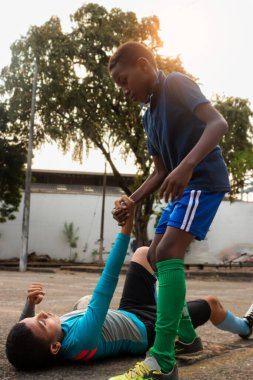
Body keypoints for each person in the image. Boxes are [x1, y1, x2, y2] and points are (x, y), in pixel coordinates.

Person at [108, 41, 231, 379]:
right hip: (183, 186)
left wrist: (188, 165)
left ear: (144, 65)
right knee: (156, 252)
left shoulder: (176, 83)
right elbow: (161, 171)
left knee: (170, 250)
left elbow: (217, 124)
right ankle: (187, 338)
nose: (124, 90)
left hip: (203, 179)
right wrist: (131, 200)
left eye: (124, 80)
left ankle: (162, 359)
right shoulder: (149, 118)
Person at [6, 243, 253, 375]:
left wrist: (29, 305)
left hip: (129, 310)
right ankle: (245, 326)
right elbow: (106, 285)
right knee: (210, 302)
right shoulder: (81, 340)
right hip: (149, 329)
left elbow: (24, 329)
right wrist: (124, 230)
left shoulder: (53, 338)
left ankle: (162, 295)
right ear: (55, 347)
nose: (41, 314)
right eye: (41, 322)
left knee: (144, 253)